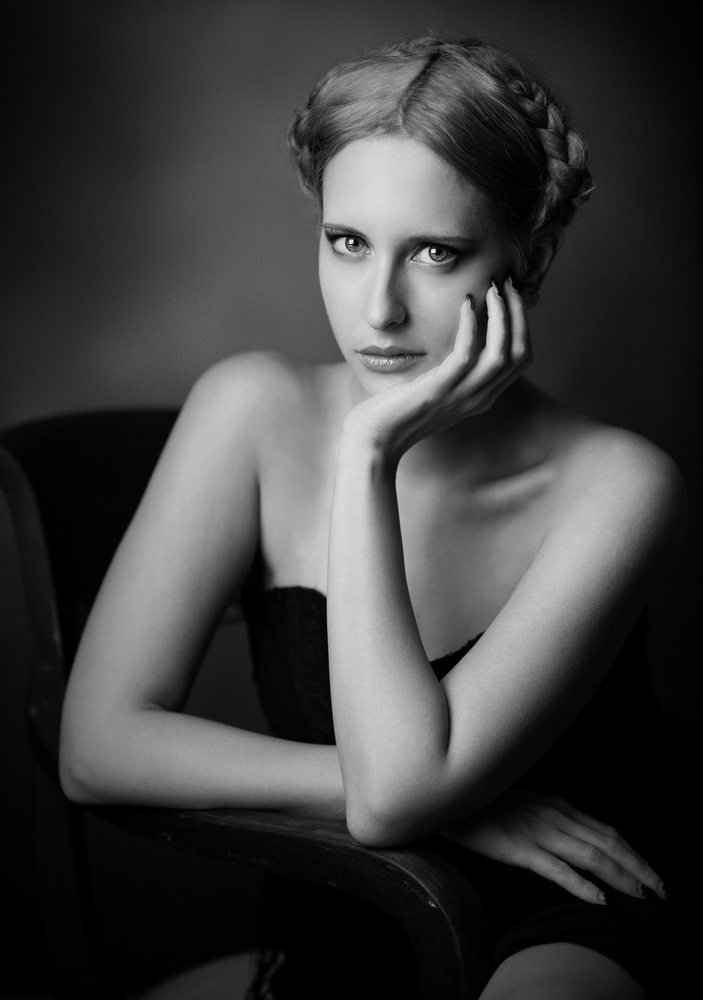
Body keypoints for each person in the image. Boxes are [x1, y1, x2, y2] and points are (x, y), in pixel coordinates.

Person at [59, 35, 690, 1000]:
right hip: (352, 906)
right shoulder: (250, 410)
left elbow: (394, 799)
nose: (379, 309)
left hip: (575, 908)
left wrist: (366, 453)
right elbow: (95, 747)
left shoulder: (619, 485)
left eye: (435, 253)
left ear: (528, 253)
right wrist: (454, 804)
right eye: (347, 243)